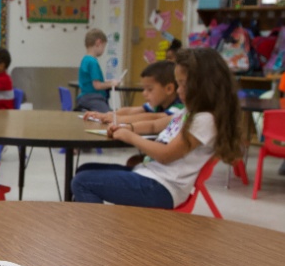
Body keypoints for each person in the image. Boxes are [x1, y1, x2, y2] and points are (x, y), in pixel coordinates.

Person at [71, 47, 242, 209]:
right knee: (83, 170)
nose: (179, 90)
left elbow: (165, 155)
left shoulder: (205, 120)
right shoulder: (190, 112)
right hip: (152, 177)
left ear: (205, 85)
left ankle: (97, 236)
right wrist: (126, 127)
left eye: (183, 84)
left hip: (163, 188)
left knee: (82, 181)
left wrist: (129, 136)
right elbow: (154, 123)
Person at [83, 60, 183, 124]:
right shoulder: (158, 103)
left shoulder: (180, 107)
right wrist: (107, 114)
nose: (144, 93)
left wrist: (119, 119)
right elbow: (131, 111)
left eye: (150, 89)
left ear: (169, 89)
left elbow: (156, 118)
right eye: (144, 89)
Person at [75, 28, 120, 112]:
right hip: (93, 98)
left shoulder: (85, 59)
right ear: (98, 43)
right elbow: (97, 85)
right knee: (109, 116)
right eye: (103, 46)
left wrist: (106, 82)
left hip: (84, 97)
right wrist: (111, 83)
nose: (103, 50)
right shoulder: (93, 62)